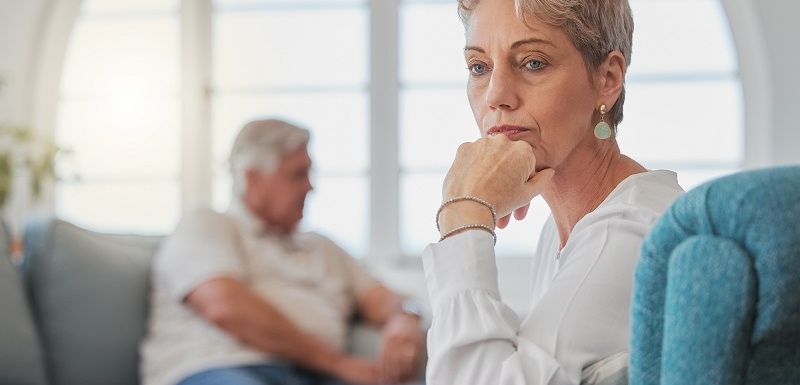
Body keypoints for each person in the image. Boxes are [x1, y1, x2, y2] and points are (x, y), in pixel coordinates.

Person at [423, 0, 685, 384]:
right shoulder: (563, 230)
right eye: (479, 67)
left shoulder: (628, 235)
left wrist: (462, 217)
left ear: (608, 79)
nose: (495, 95)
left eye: (533, 63)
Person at [140, 119, 425, 385]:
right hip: (219, 369)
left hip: (310, 377)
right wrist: (337, 363)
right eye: (298, 174)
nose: (311, 186)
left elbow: (382, 298)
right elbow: (224, 306)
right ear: (252, 178)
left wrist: (404, 318)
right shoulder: (208, 224)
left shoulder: (323, 247)